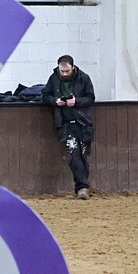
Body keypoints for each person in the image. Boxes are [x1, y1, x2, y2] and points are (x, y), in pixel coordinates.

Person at [41, 55, 95, 198]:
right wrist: (55, 101)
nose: (64, 74)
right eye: (62, 71)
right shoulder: (53, 78)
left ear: (73, 67)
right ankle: (82, 187)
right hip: (64, 123)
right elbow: (45, 95)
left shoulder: (84, 78)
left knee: (83, 155)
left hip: (83, 123)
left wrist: (76, 101)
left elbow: (91, 98)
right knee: (73, 154)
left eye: (67, 71)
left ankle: (83, 186)